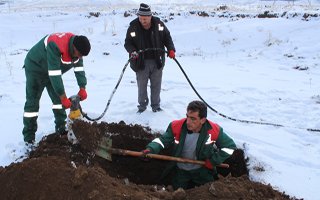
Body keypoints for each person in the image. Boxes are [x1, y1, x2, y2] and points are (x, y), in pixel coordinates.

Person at [142, 100, 237, 190]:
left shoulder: (213, 130)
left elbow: (230, 147)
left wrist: (213, 161)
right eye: (187, 116)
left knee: (207, 193)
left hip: (202, 170)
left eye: (193, 119)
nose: (188, 122)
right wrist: (151, 149)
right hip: (180, 170)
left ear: (203, 120)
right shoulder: (177, 126)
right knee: (177, 193)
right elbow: (162, 140)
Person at [22, 32, 91, 144]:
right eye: (79, 54)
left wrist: (82, 87)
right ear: (74, 47)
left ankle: (61, 129)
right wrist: (63, 95)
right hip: (36, 68)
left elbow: (79, 69)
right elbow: (54, 74)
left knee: (58, 102)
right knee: (32, 104)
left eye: (82, 56)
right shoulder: (56, 45)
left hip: (52, 71)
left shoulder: (78, 49)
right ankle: (29, 139)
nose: (80, 57)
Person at [124, 3, 176, 113]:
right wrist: (132, 51)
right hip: (140, 62)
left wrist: (171, 49)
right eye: (141, 18)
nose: (143, 21)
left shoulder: (159, 25)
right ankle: (142, 106)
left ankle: (156, 106)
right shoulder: (133, 27)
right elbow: (128, 43)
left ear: (150, 16)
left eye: (145, 18)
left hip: (157, 61)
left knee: (156, 85)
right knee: (142, 86)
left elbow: (167, 37)